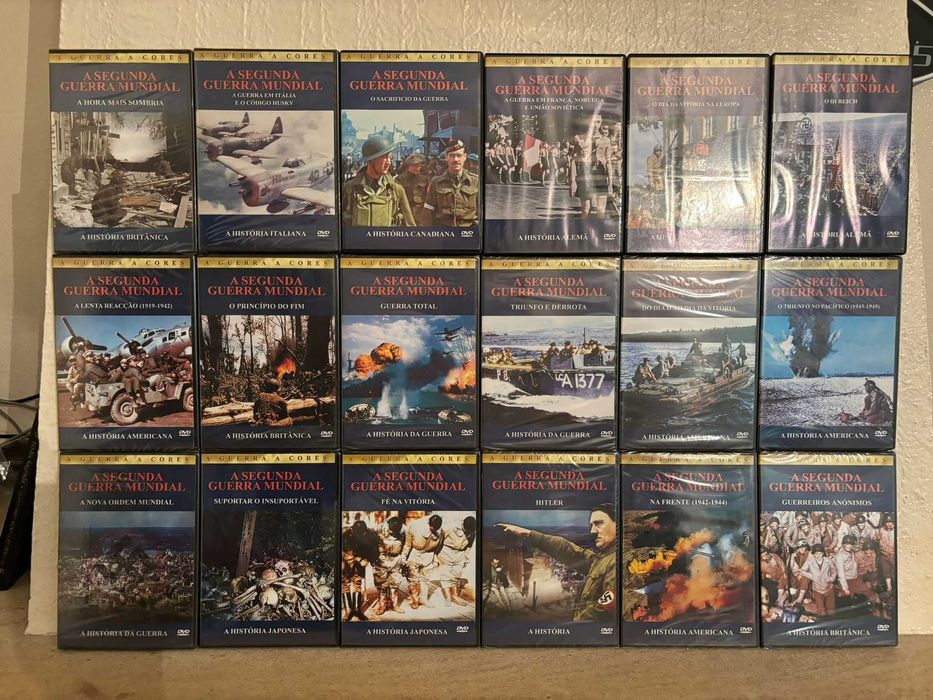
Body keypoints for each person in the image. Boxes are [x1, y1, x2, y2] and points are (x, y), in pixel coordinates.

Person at [495, 503, 616, 621]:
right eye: (592, 525)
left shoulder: (618, 561)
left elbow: (603, 609)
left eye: (599, 523)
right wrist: (528, 533)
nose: (592, 531)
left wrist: (578, 627)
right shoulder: (605, 557)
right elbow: (569, 551)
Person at [341, 134, 415, 228]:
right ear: (371, 160)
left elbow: (410, 228)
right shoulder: (350, 188)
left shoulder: (396, 190)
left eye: (390, 157)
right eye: (384, 157)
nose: (388, 162)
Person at [421, 140, 479, 228]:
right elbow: (428, 212)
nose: (455, 159)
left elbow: (482, 211)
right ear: (446, 157)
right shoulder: (436, 182)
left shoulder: (475, 182)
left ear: (465, 157)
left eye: (459, 155)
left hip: (468, 231)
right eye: (452, 156)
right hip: (444, 231)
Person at [401, 514, 443, 609]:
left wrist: (435, 558)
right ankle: (415, 599)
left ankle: (423, 599)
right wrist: (403, 559)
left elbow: (439, 546)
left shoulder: (441, 531)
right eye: (432, 528)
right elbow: (407, 544)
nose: (434, 530)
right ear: (428, 523)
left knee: (425, 579)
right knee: (412, 580)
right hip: (415, 555)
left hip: (429, 557)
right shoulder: (414, 526)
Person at [436, 516, 476, 606]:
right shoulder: (450, 527)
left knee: (456, 575)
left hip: (460, 554)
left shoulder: (473, 531)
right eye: (467, 530)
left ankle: (455, 596)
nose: (468, 532)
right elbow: (440, 540)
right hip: (446, 552)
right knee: (445, 575)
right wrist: (436, 554)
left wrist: (466, 558)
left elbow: (469, 546)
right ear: (463, 524)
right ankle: (448, 597)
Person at [372, 516, 405, 616]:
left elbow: (406, 545)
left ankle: (394, 605)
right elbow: (371, 545)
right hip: (382, 561)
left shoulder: (403, 530)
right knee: (381, 585)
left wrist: (403, 559)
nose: (393, 533)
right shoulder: (378, 530)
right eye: (392, 531)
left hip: (396, 561)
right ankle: (382, 605)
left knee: (395, 584)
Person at [835, 534, 879, 607]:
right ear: (843, 544)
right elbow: (841, 573)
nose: (849, 546)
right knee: (845, 598)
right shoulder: (840, 556)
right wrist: (845, 588)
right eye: (847, 544)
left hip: (854, 578)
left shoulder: (851, 552)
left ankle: (878, 605)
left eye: (850, 544)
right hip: (846, 580)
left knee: (868, 591)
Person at [798, 544, 837, 617]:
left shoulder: (828, 561)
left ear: (823, 553)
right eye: (816, 554)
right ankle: (822, 621)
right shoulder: (810, 561)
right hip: (817, 589)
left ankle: (832, 621)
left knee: (831, 608)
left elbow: (834, 570)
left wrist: (831, 578)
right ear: (813, 554)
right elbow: (801, 571)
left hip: (828, 588)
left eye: (820, 553)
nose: (818, 555)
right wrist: (811, 576)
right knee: (821, 609)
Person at [396, 153, 429, 222]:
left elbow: (428, 197)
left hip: (420, 214)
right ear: (409, 165)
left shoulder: (424, 179)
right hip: (405, 213)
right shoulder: (400, 179)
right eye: (415, 166)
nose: (417, 168)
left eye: (419, 166)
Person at [878, 515, 895, 592]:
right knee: (886, 571)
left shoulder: (896, 530)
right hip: (884, 554)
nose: (888, 524)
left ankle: (895, 588)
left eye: (890, 522)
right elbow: (877, 540)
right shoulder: (881, 530)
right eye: (887, 522)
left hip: (893, 555)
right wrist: (877, 539)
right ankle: (889, 587)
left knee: (894, 572)